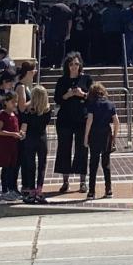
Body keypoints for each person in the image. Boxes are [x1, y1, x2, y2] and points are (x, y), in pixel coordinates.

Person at [53, 52, 92, 192]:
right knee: (64, 149)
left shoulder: (87, 79)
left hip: (82, 119)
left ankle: (82, 182)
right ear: (67, 66)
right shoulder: (62, 80)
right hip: (65, 120)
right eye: (71, 64)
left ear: (80, 64)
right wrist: (67, 95)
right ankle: (65, 181)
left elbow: (93, 97)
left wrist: (83, 94)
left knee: (82, 149)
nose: (74, 67)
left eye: (76, 64)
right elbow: (57, 99)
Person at [82, 82, 120, 199]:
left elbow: (89, 121)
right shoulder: (110, 104)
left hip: (94, 134)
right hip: (106, 134)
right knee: (106, 163)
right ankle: (108, 190)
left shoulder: (92, 104)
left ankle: (91, 191)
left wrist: (86, 137)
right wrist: (114, 137)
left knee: (93, 163)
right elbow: (116, 121)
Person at [20, 84, 53, 202]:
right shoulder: (47, 110)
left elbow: (24, 126)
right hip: (42, 138)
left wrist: (21, 134)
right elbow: (46, 123)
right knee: (42, 165)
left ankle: (31, 191)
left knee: (30, 165)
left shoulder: (28, 111)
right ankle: (39, 190)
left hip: (30, 138)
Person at [0, 93, 23, 201]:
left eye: (16, 101)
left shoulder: (15, 115)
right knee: (6, 168)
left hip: (13, 146)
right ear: (5, 102)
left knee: (12, 168)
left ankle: (11, 189)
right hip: (5, 146)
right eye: (12, 102)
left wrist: (19, 133)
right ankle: (5, 191)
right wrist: (12, 134)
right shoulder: (3, 115)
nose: (15, 104)